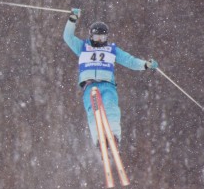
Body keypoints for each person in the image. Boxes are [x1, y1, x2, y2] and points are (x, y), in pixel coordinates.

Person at [63, 8, 157, 146]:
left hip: (107, 85)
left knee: (110, 107)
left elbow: (129, 60)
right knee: (93, 110)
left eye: (103, 38)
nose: (100, 41)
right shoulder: (82, 47)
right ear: (91, 36)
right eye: (96, 37)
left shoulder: (112, 50)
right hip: (90, 85)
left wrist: (145, 64)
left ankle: (114, 135)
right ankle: (98, 138)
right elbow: (68, 37)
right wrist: (72, 19)